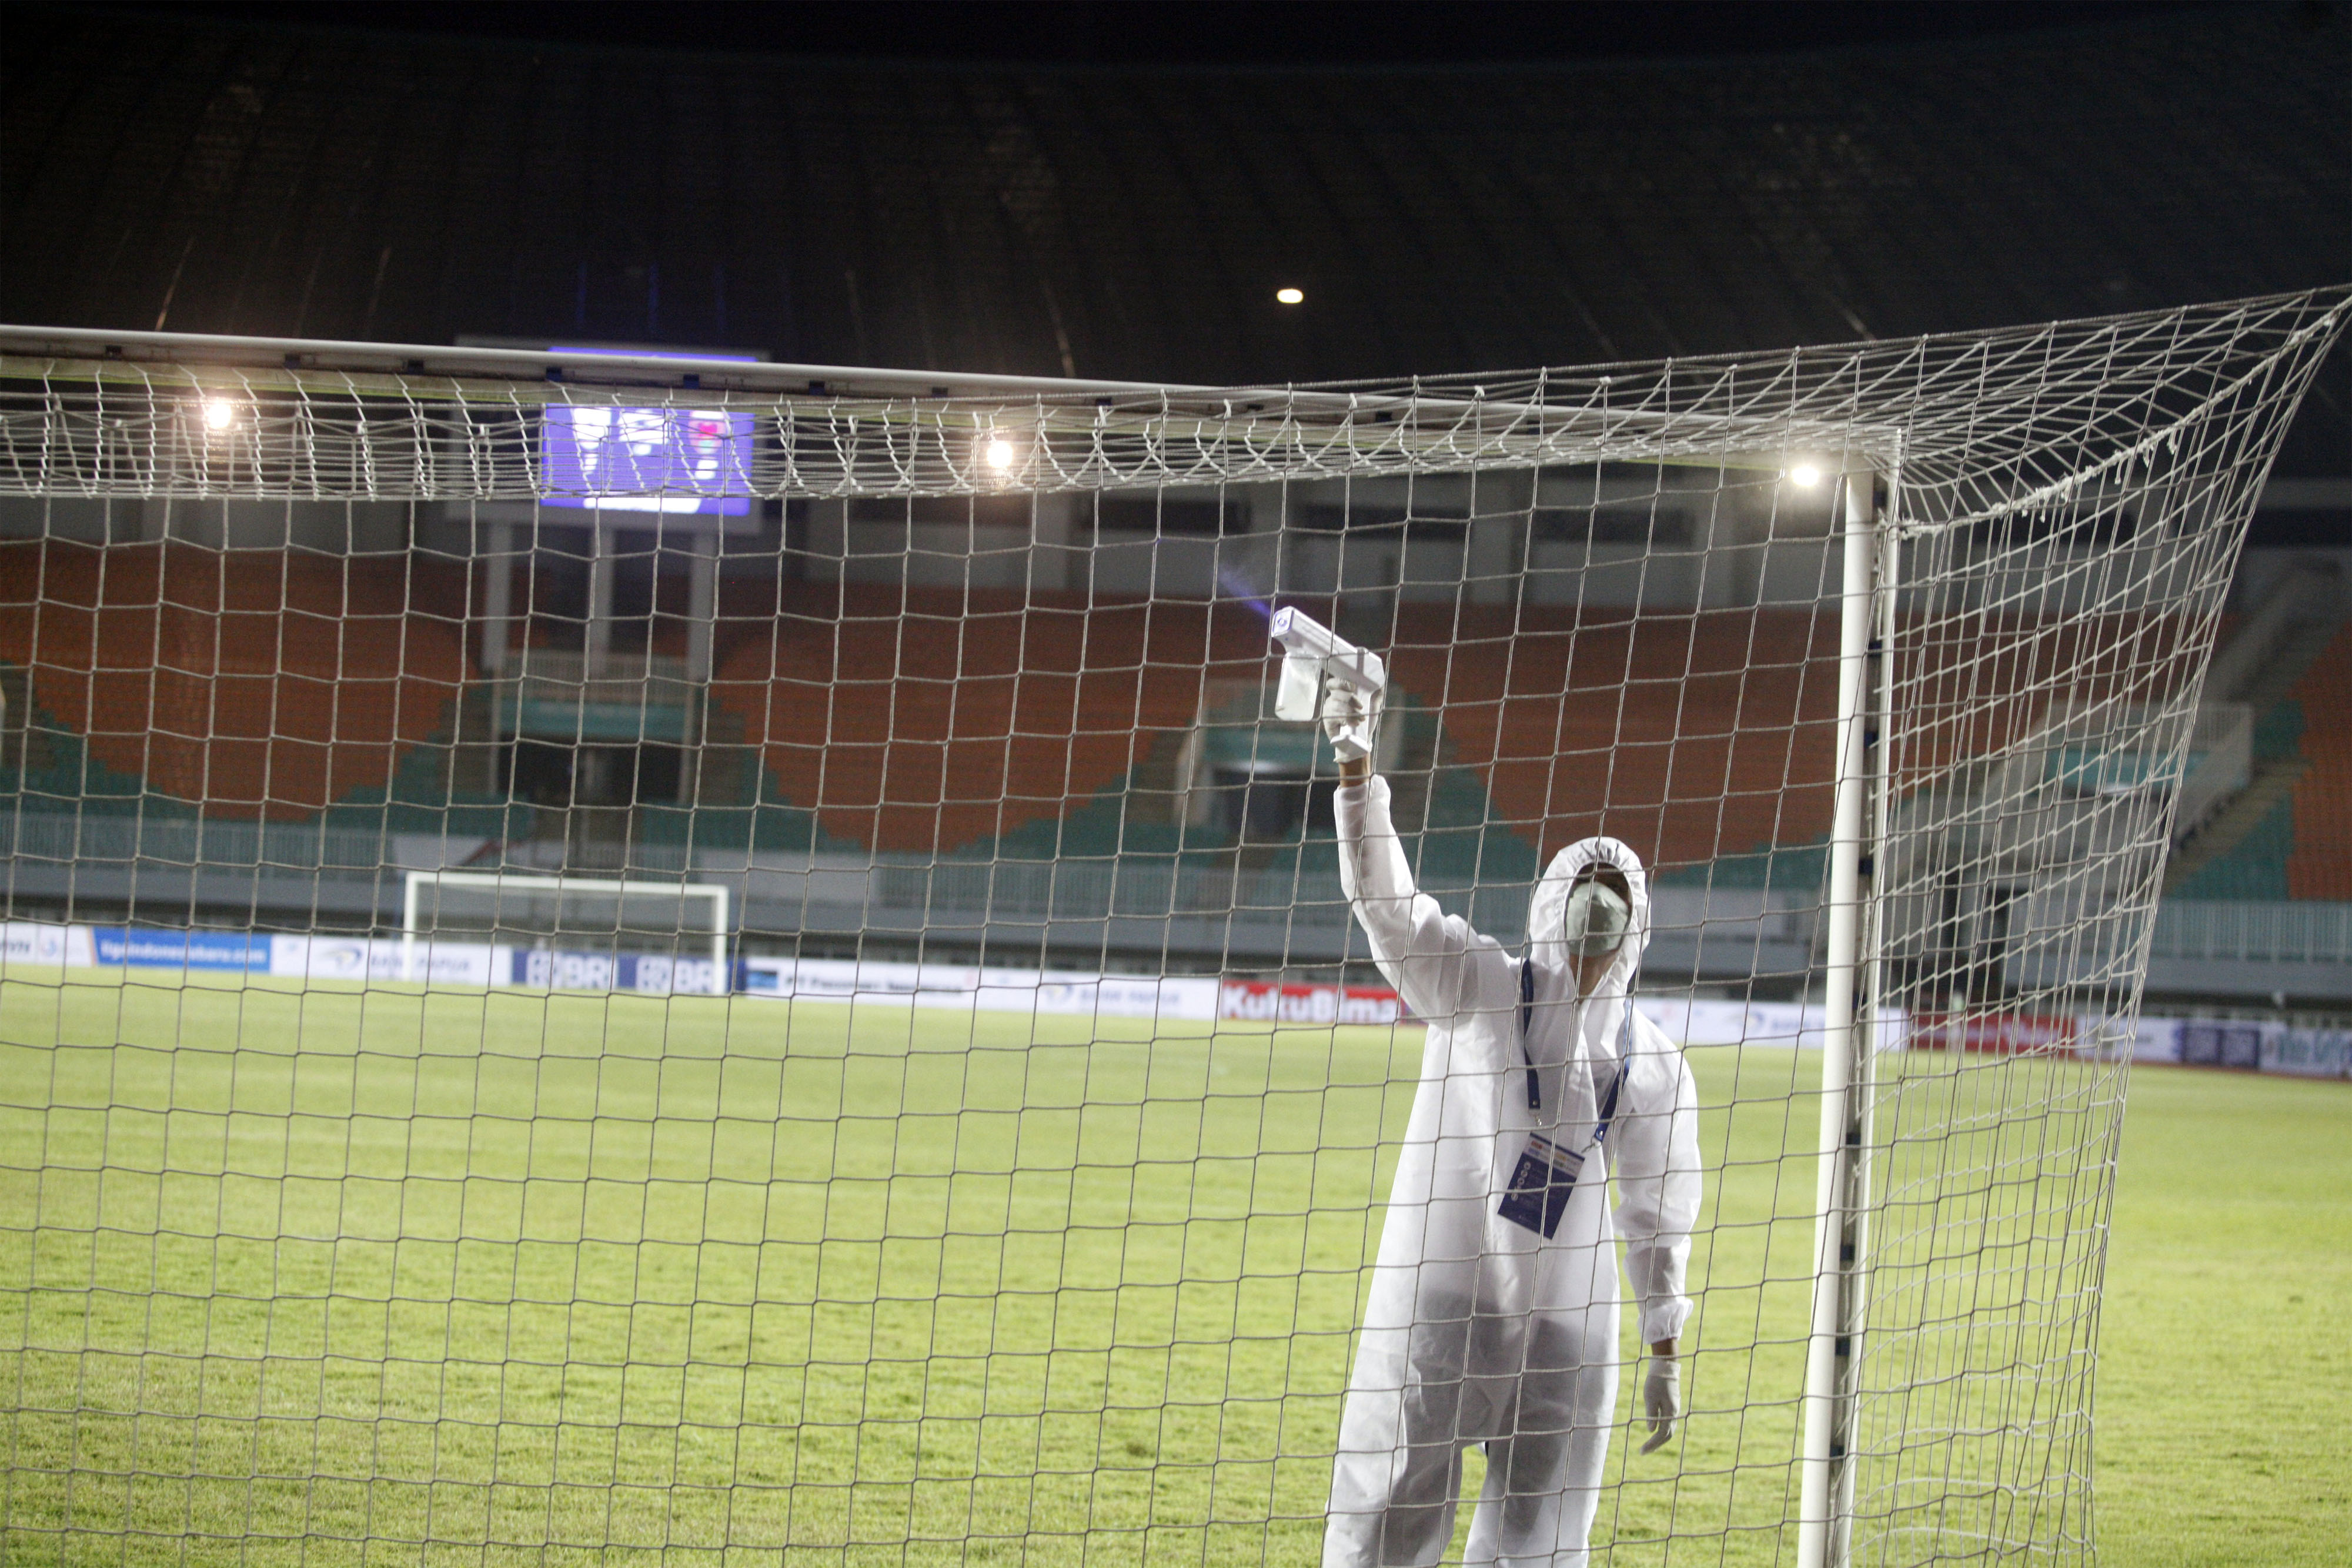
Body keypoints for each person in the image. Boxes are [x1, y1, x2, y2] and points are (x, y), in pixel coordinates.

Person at [1318, 680, 1701, 1568]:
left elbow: (1656, 1217)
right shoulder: (1481, 985)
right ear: (1550, 898)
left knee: (1538, 1532)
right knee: (1395, 1505)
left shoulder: (1651, 1065)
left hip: (1567, 1325)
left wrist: (1664, 1346)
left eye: (1614, 898)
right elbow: (1392, 914)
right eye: (1585, 890)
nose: (1595, 915)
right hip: (1448, 1299)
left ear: (1638, 925)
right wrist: (1357, 777)